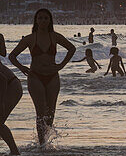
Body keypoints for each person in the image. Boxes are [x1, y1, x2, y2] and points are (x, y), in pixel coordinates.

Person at [7, 8, 76, 145]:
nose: (43, 21)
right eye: (40, 18)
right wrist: (22, 68)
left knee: (50, 113)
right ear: (36, 21)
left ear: (49, 20)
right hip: (35, 77)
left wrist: (61, 65)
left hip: (53, 76)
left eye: (45, 18)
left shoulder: (55, 36)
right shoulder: (30, 38)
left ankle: (46, 139)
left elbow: (71, 48)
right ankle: (42, 144)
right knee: (40, 111)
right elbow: (12, 56)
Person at [0, 34, 23, 154]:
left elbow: (2, 79)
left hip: (10, 86)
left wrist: (1, 103)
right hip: (9, 84)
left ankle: (14, 151)